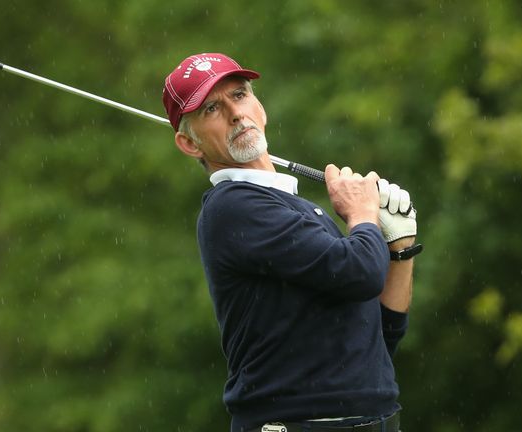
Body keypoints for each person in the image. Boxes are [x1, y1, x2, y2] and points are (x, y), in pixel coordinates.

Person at [162, 53, 420, 432]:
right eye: (212, 108)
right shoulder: (232, 207)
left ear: (259, 106)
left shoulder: (294, 208)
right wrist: (363, 213)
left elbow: (379, 339)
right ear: (189, 143)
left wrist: (400, 248)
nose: (236, 113)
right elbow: (359, 272)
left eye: (240, 94)